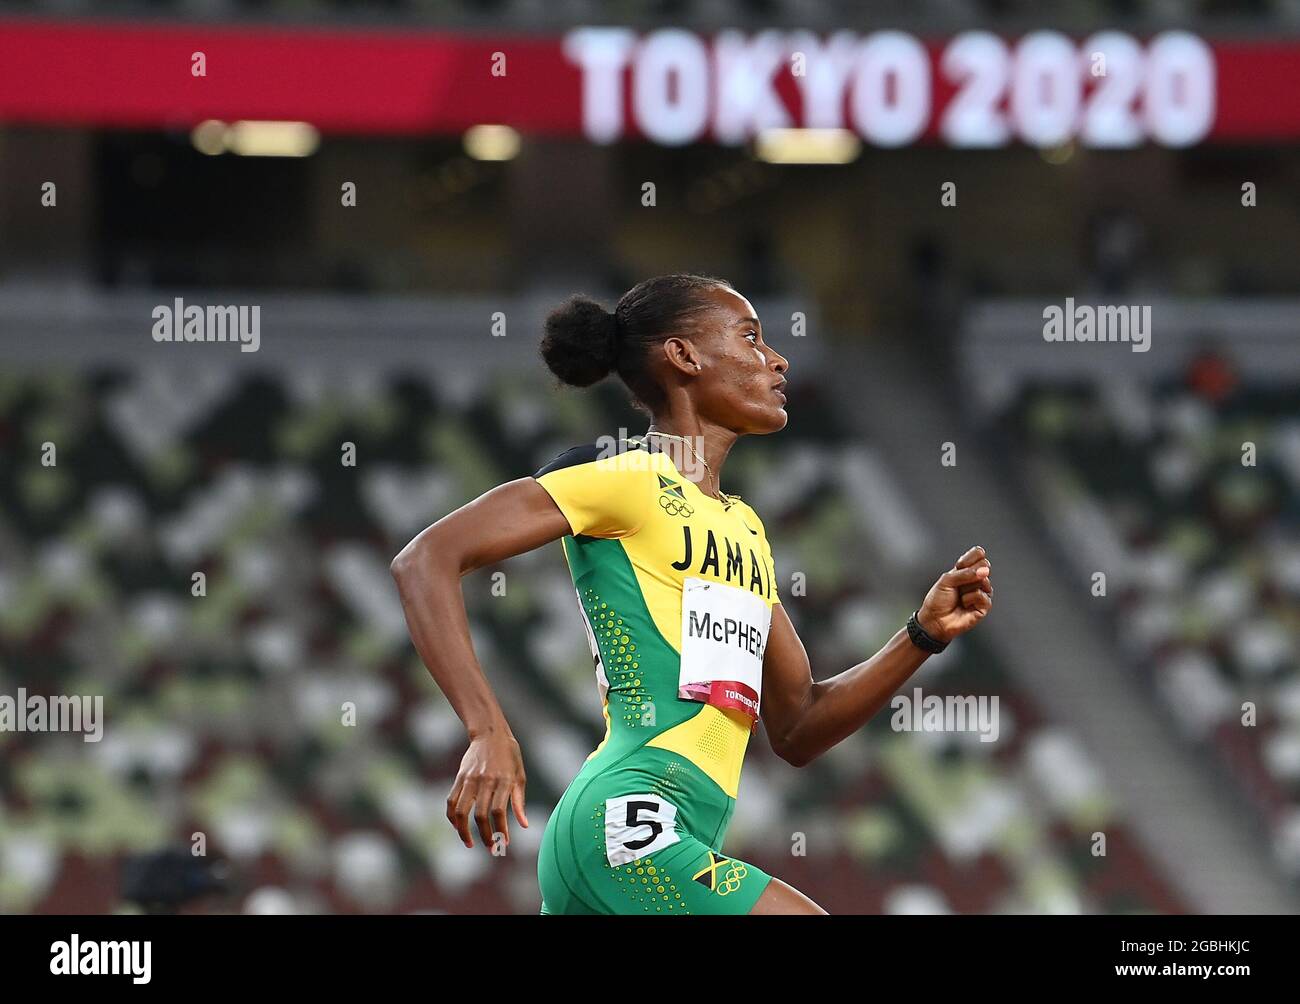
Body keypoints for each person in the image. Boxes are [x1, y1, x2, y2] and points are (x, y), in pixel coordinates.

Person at [390, 274, 994, 914]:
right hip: (625, 825)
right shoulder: (622, 478)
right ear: (684, 356)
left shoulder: (746, 531)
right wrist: (487, 729)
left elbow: (799, 726)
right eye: (752, 337)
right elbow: (425, 559)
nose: (777, 358)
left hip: (672, 833)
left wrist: (920, 637)